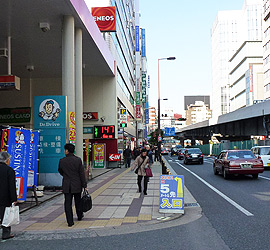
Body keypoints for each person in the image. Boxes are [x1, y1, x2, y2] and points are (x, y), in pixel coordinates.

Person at [58, 143, 87, 227]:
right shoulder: (78, 160)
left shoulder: (62, 161)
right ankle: (79, 215)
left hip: (67, 184)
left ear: (67, 150)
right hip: (77, 184)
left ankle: (70, 221)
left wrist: (66, 176)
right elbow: (81, 173)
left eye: (65, 150)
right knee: (78, 201)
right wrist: (84, 185)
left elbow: (60, 170)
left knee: (68, 203)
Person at [0, 151, 17, 240]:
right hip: (5, 196)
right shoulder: (9, 170)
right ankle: (6, 233)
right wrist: (14, 198)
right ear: (7, 160)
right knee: (5, 215)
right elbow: (12, 186)